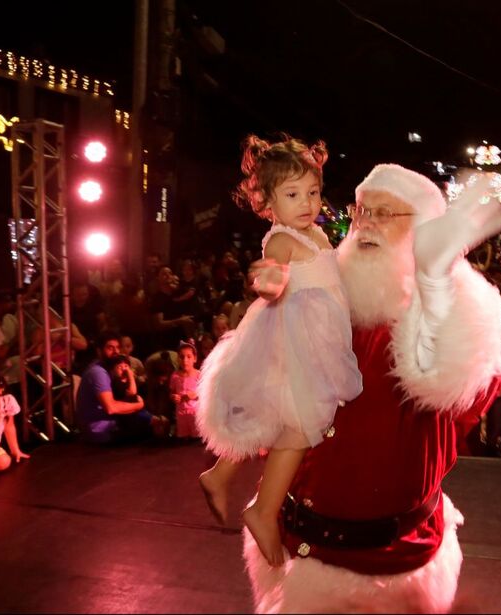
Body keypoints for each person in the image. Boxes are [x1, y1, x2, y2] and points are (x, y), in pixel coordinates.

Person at [209, 161, 501, 612]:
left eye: (385, 214)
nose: (366, 225)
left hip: (397, 563)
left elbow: (456, 385)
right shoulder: (322, 291)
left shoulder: (448, 315)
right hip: (300, 545)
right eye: (362, 211)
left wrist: (437, 281)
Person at [197, 135, 363, 567]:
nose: (306, 202)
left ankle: (220, 475)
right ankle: (262, 511)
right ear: (266, 203)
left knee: (274, 419)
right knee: (298, 428)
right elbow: (271, 281)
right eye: (292, 195)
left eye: (312, 192)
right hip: (295, 344)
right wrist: (267, 282)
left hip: (316, 343)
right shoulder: (283, 240)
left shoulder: (316, 233)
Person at [74, 332, 153, 444]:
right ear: (99, 351)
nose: (116, 352)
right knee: (151, 428)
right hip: (102, 431)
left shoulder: (108, 368)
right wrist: (138, 405)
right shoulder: (98, 372)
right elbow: (111, 408)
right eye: (110, 348)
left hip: (109, 423)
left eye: (117, 348)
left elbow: (129, 395)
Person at [170, 341, 201, 440]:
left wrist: (195, 395)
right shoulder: (175, 376)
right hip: (181, 412)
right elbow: (171, 391)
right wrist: (173, 397)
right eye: (181, 357)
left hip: (195, 412)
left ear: (194, 358)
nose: (185, 360)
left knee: (197, 437)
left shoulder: (198, 374)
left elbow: (206, 392)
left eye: (188, 357)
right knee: (184, 439)